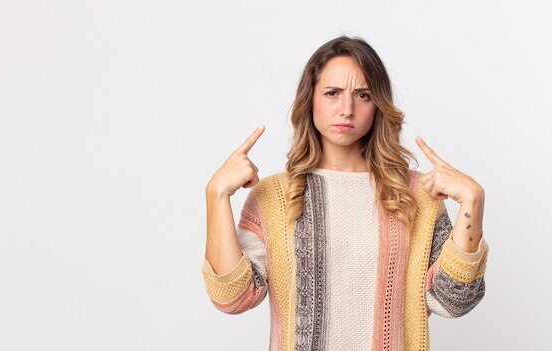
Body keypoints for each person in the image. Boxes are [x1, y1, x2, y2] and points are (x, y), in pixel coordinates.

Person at [201, 35, 489, 351]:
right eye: (332, 93)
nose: (347, 109)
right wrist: (216, 195)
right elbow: (233, 298)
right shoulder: (275, 196)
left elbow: (453, 301)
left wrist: (472, 202)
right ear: (309, 100)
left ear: (378, 104)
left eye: (363, 95)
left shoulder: (417, 195)